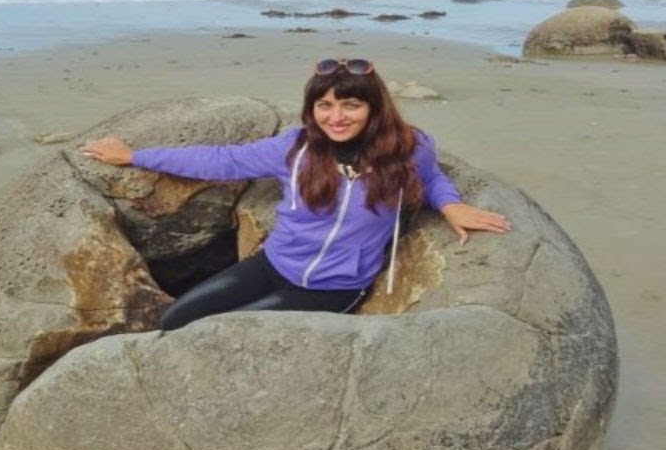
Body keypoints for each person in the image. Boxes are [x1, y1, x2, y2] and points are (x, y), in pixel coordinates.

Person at [81, 57, 511, 330]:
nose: (336, 117)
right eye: (325, 105)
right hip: (273, 265)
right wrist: (134, 155)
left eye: (351, 105)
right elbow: (222, 160)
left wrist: (451, 205)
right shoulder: (296, 148)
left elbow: (431, 177)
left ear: (374, 109)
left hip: (333, 289)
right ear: (312, 109)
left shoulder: (409, 149)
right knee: (176, 319)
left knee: (222, 333)